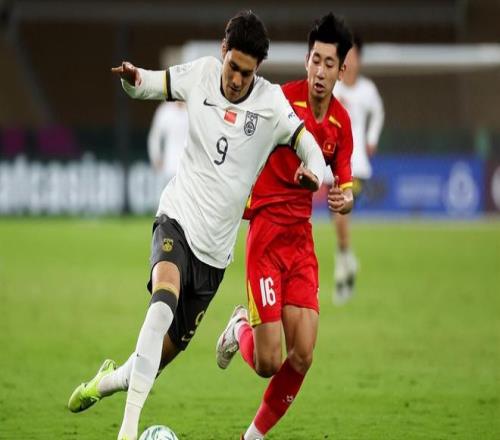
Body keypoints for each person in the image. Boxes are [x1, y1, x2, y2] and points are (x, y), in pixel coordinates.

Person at [66, 10, 326, 440]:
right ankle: (127, 430)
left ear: (258, 69)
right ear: (223, 51)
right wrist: (132, 79)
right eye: (232, 66)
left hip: (214, 257)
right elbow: (150, 84)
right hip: (177, 218)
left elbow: (309, 145)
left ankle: (106, 381)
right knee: (161, 304)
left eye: (246, 72)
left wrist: (313, 169)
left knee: (149, 362)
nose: (236, 79)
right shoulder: (202, 74)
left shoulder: (271, 104)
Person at [215, 13, 353, 440]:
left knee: (303, 354)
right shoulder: (278, 101)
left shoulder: (341, 123)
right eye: (315, 60)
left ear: (341, 70)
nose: (320, 71)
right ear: (307, 61)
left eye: (329, 63)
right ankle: (239, 326)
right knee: (268, 362)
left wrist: (344, 198)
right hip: (266, 236)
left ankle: (251, 438)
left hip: (301, 241)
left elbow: (346, 185)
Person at [331, 34, 385, 305]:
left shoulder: (367, 90)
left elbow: (379, 113)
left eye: (353, 55)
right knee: (338, 219)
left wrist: (372, 138)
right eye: (346, 55)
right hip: (333, 166)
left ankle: (343, 266)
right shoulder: (334, 88)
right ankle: (346, 257)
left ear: (360, 59)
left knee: (342, 213)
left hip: (357, 166)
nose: (349, 60)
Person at [147, 101, 188, 184]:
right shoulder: (165, 110)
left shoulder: (192, 108)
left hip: (188, 169)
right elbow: (155, 137)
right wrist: (156, 159)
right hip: (169, 168)